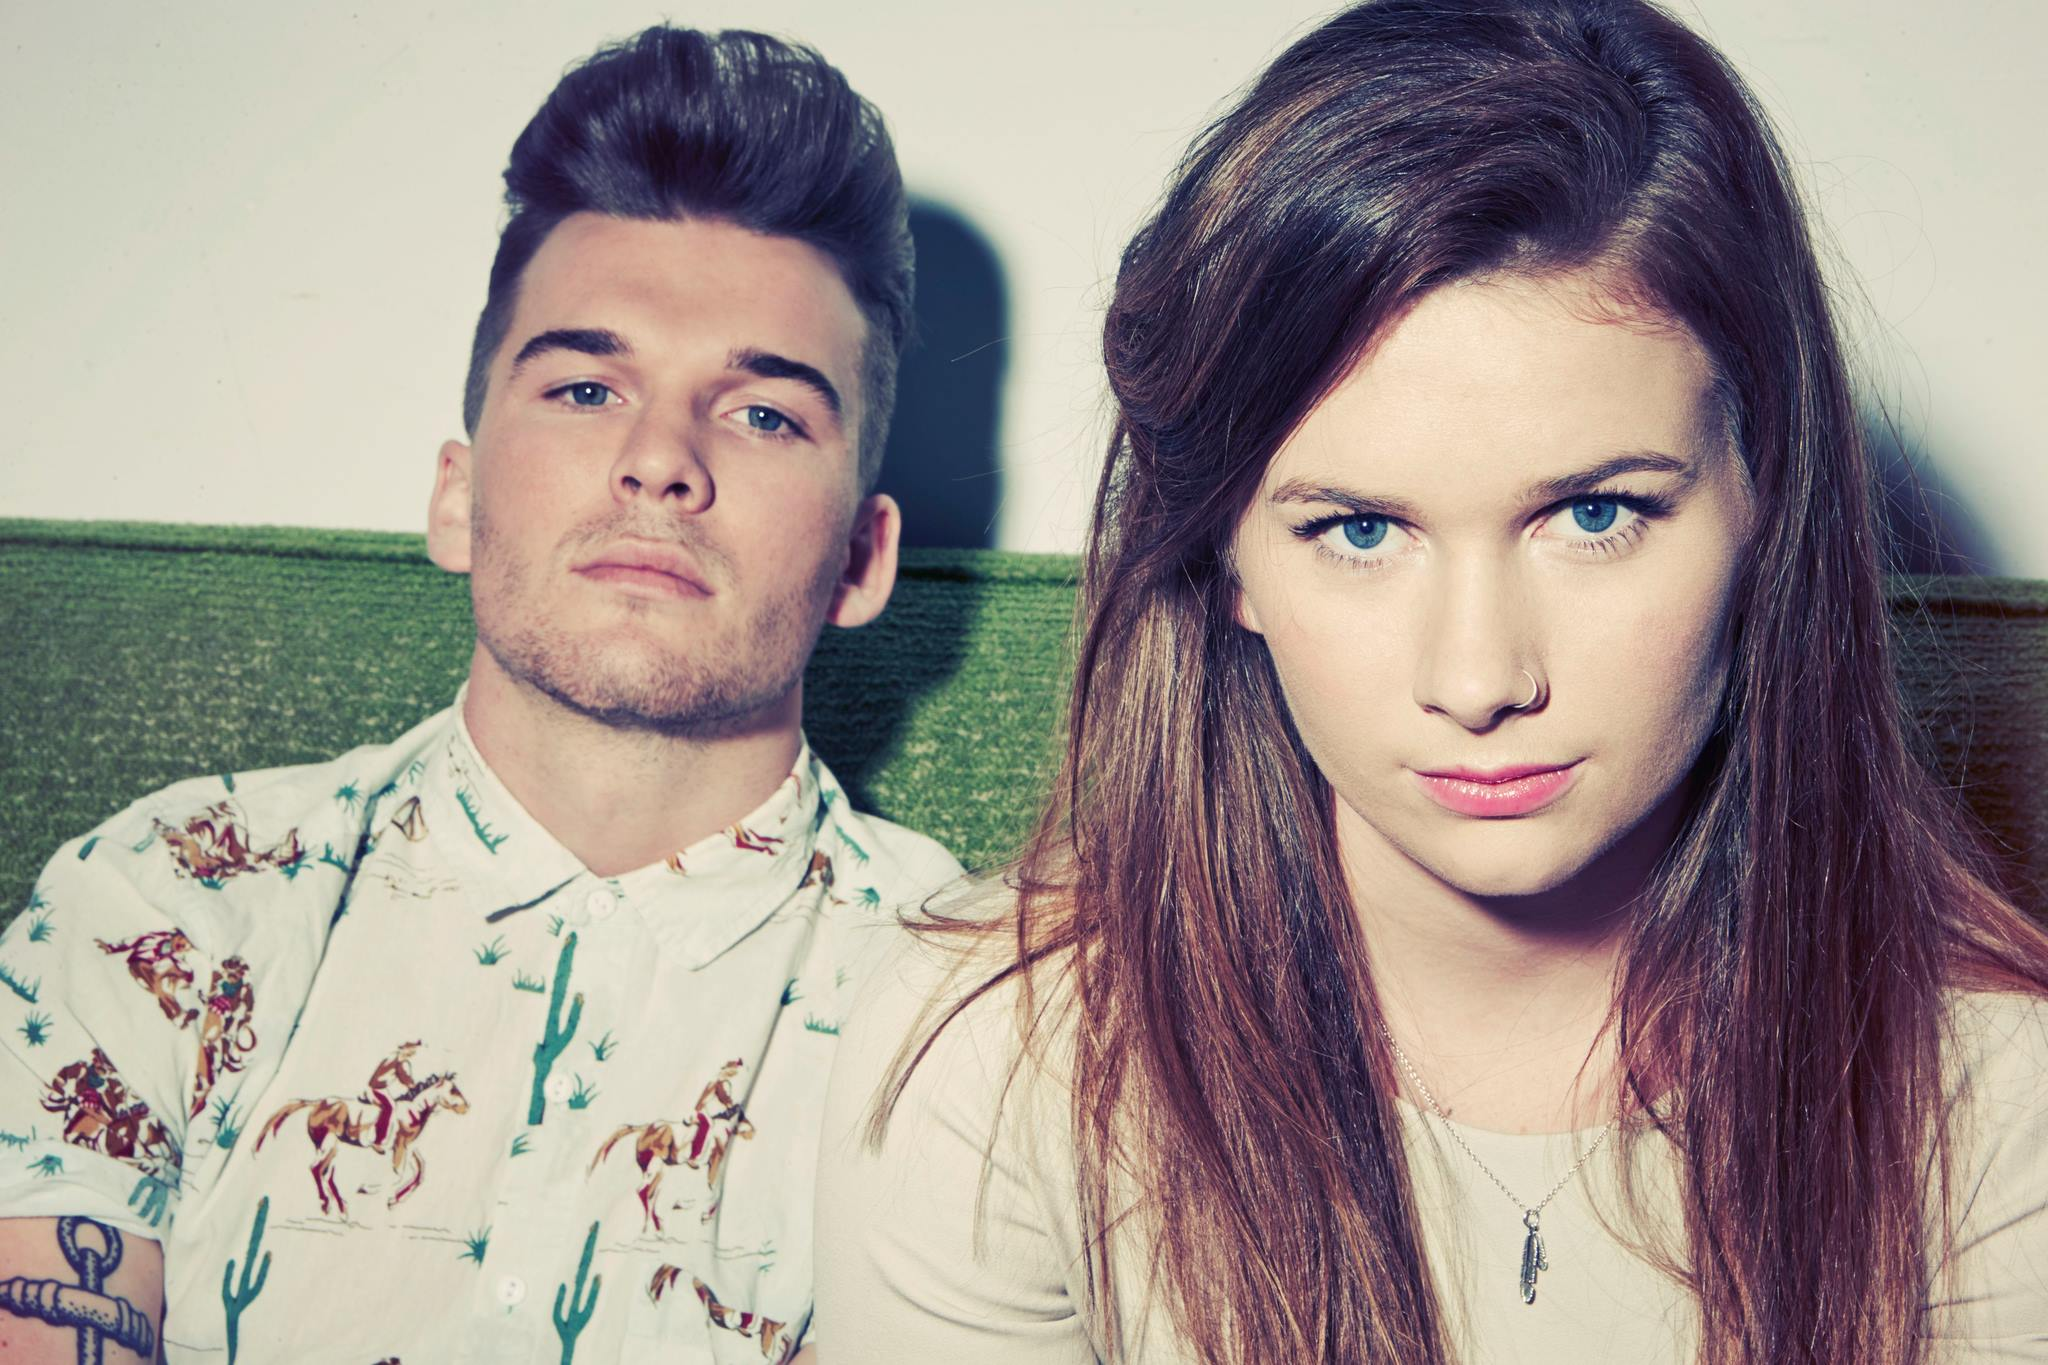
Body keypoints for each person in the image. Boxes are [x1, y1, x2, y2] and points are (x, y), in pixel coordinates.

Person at [814, 1, 2048, 1361]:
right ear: (1226, 557)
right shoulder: (992, 1066)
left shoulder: (1996, 1105)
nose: (1479, 681)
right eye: (1359, 530)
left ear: (1768, 507)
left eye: (1594, 515)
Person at [0, 24, 958, 1365]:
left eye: (762, 415)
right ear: (456, 497)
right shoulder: (169, 903)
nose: (660, 461)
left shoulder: (968, 1011)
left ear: (862, 558)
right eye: (586, 387)